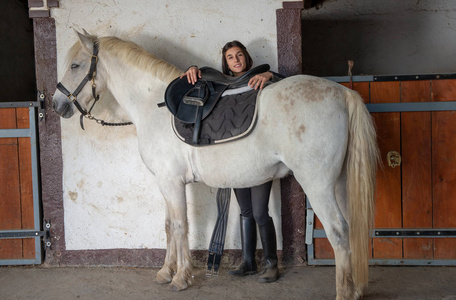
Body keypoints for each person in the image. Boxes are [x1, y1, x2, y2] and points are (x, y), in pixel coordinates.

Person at [180, 41, 280, 283]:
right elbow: (197, 83)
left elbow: (285, 84)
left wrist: (270, 75)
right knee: (245, 211)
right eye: (230, 57)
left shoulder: (260, 78)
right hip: (234, 156)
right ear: (225, 62)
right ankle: (248, 262)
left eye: (239, 55)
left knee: (260, 213)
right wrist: (192, 68)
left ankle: (271, 263)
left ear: (246, 57)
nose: (236, 60)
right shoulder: (219, 85)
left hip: (257, 157)